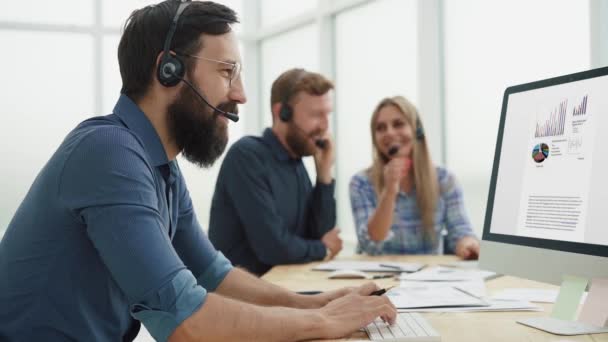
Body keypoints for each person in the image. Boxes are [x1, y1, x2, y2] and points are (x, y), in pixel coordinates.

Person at [0, 1, 396, 341]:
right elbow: (185, 321)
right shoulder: (109, 153)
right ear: (168, 70)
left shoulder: (162, 168)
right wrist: (321, 321)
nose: (240, 94)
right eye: (227, 72)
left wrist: (313, 303)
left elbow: (212, 273)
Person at [209, 68, 342, 275]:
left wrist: (324, 175)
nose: (324, 127)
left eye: (327, 115)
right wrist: (323, 248)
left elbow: (318, 233)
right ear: (282, 113)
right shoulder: (247, 156)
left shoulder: (296, 162)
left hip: (283, 288)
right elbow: (273, 248)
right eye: (316, 115)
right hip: (242, 298)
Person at [349, 95, 480, 259]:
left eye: (398, 124)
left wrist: (467, 244)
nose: (389, 132)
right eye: (381, 128)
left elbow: (461, 232)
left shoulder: (444, 180)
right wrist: (390, 191)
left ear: (417, 130)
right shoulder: (361, 183)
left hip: (429, 278)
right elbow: (370, 244)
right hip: (380, 278)